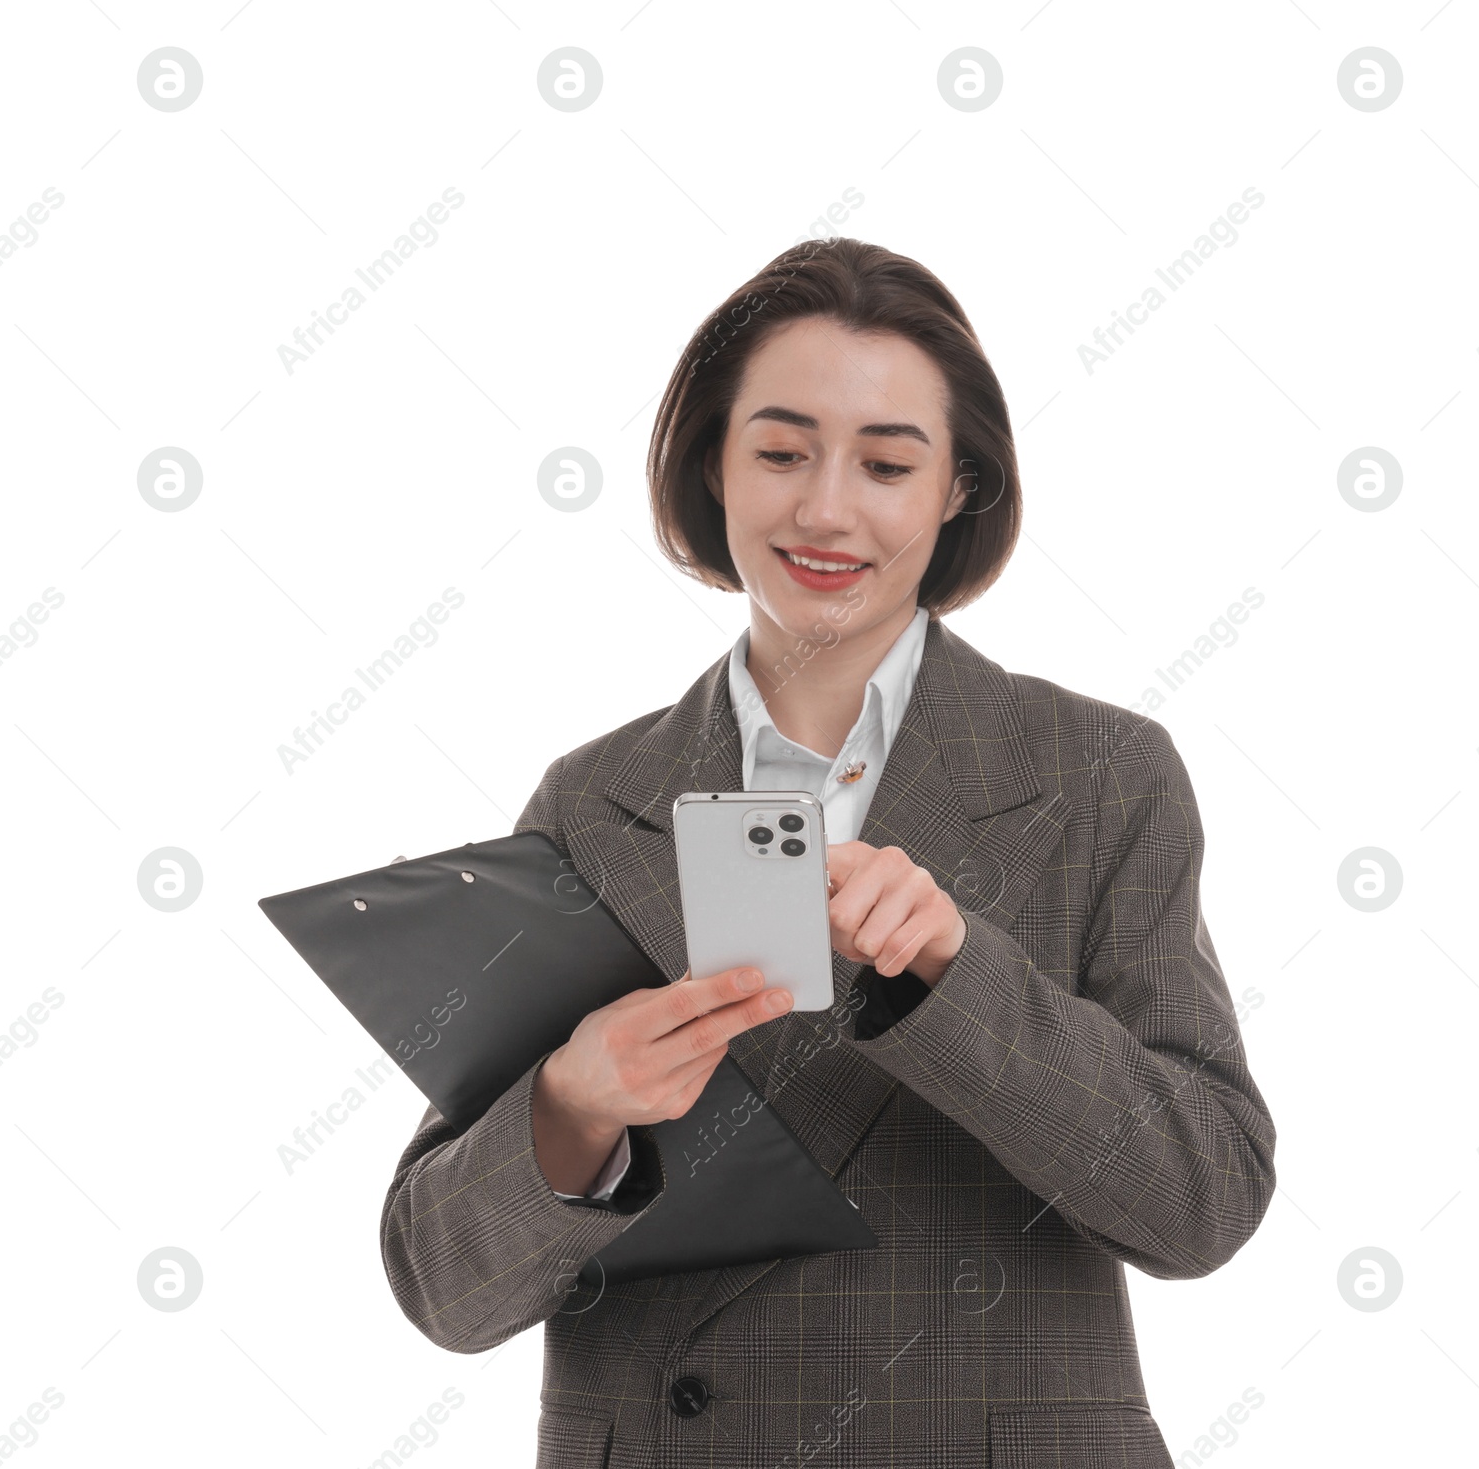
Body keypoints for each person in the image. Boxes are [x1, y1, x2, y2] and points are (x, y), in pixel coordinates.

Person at [380, 237, 1276, 1468]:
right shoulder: (593, 801)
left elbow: (1202, 1201)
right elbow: (443, 1288)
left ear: (959, 487)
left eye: (887, 464)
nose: (825, 510)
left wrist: (962, 979)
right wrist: (572, 1105)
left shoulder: (1096, 778)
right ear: (714, 465)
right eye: (781, 451)